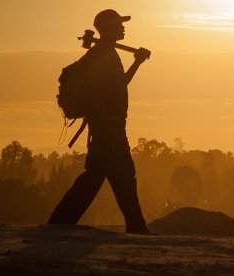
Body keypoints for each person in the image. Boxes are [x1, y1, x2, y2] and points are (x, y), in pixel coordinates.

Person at [47, 9, 154, 235]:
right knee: (119, 175)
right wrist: (105, 126)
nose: (123, 27)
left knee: (100, 177)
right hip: (109, 129)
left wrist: (137, 63)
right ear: (108, 28)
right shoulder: (102, 56)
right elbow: (94, 93)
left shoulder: (107, 54)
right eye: (119, 24)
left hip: (109, 128)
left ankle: (59, 222)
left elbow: (119, 85)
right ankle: (136, 227)